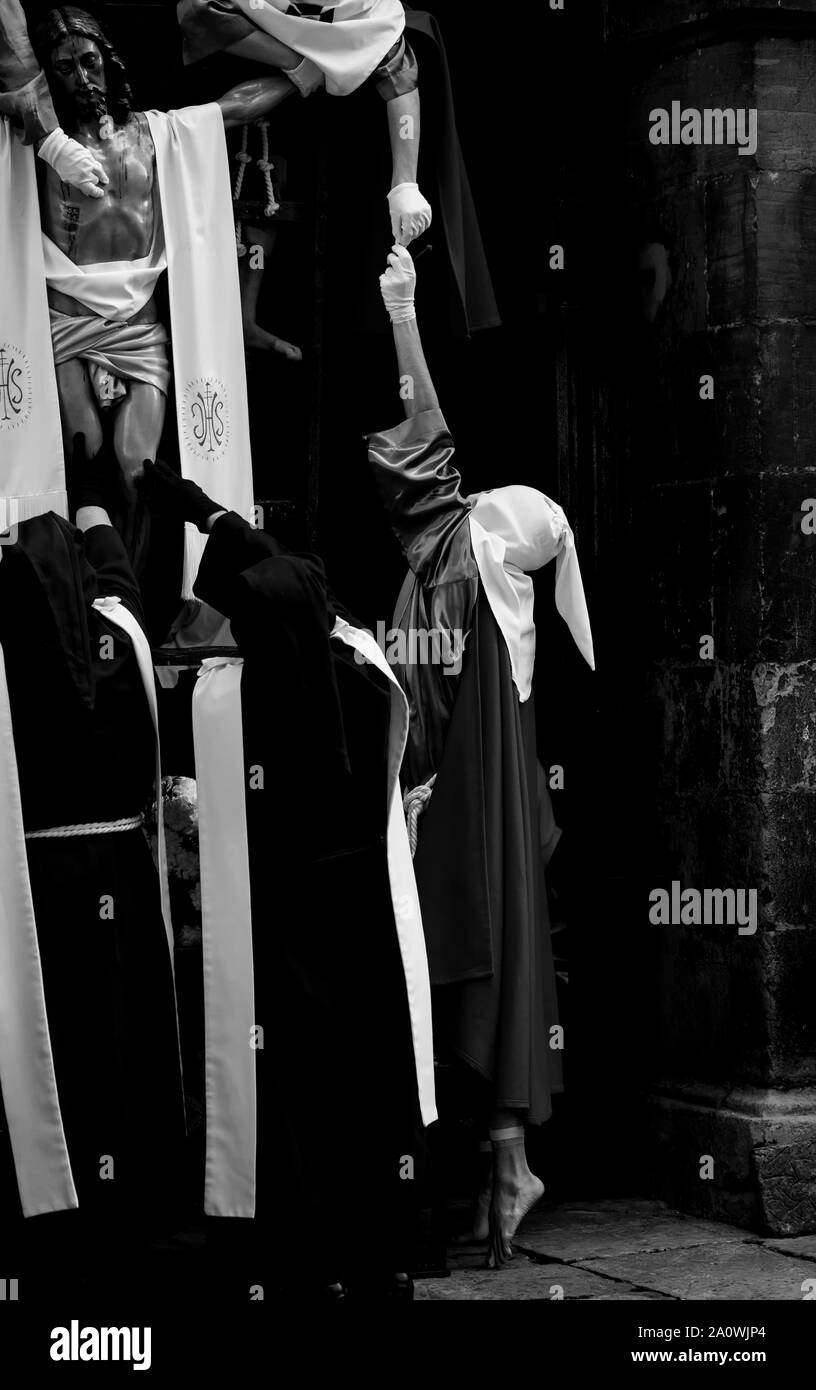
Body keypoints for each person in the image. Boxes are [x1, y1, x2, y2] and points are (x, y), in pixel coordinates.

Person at [139, 458, 437, 1299]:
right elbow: (295, 581)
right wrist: (209, 513)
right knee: (364, 1100)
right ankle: (376, 1257)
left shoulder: (247, 701)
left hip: (294, 936)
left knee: (301, 1103)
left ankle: (305, 1257)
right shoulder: (361, 669)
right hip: (364, 929)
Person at [365, 244, 596, 1267]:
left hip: (448, 814)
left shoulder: (461, 560)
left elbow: (424, 430)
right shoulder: (492, 599)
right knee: (484, 978)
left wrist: (404, 309)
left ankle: (503, 1171)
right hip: (462, 815)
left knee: (464, 972)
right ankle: (506, 1169)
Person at [0, 5, 296, 568]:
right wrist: (46, 139)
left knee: (138, 469)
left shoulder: (155, 131)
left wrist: (304, 74)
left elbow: (229, 110)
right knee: (80, 461)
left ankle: (127, 590)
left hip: (140, 325)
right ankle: (83, 593)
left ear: (108, 64)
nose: (82, 78)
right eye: (64, 68)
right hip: (68, 325)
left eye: (89, 62)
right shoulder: (34, 143)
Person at [0, 436, 185, 1293]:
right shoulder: (122, 630)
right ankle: (135, 1210)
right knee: (122, 1036)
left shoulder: (16, 647)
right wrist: (91, 494)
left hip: (41, 881)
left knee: (63, 1042)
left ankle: (61, 1210)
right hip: (118, 867)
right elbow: (115, 569)